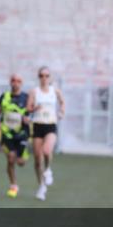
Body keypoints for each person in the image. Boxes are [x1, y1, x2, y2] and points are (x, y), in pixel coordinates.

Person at [27, 66, 66, 201]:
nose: (44, 78)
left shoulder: (55, 91)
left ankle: (48, 169)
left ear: (50, 77)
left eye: (46, 76)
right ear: (38, 77)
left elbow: (62, 102)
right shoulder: (34, 91)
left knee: (47, 150)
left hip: (50, 125)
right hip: (38, 125)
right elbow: (28, 107)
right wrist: (34, 108)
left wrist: (61, 111)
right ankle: (41, 186)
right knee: (37, 160)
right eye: (41, 76)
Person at [0, 74, 30, 198]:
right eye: (13, 80)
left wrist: (27, 119)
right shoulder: (4, 96)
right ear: (10, 82)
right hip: (7, 134)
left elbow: (31, 114)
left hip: (21, 134)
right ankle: (13, 185)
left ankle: (23, 154)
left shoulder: (26, 97)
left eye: (18, 81)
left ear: (21, 83)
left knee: (21, 162)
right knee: (11, 158)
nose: (15, 83)